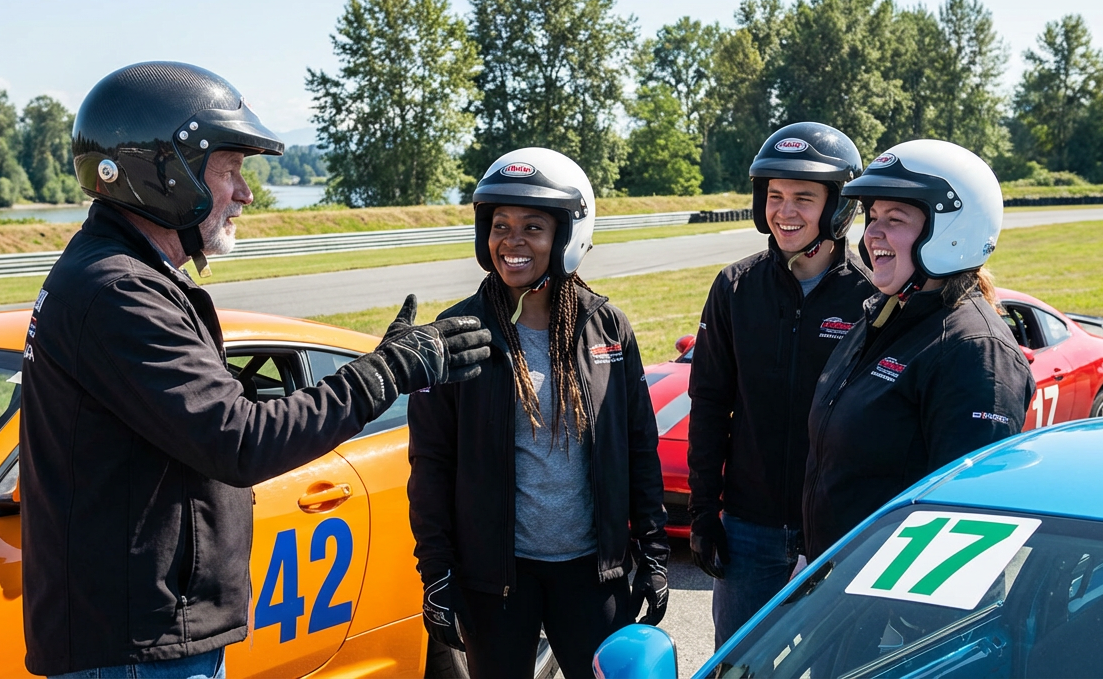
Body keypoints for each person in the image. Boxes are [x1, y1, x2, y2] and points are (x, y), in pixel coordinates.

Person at [19, 61, 491, 678]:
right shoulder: (119, 291)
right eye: (230, 170)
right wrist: (387, 373)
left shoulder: (122, 276)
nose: (245, 193)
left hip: (140, 632)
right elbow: (240, 442)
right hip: (137, 648)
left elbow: (183, 426)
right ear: (165, 173)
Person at [406, 148, 669, 678]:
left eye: (533, 226)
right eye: (500, 225)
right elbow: (430, 466)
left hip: (593, 574)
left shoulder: (608, 328)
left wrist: (654, 550)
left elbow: (638, 444)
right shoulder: (457, 335)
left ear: (568, 237)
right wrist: (436, 571)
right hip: (496, 581)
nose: (512, 241)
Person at [686, 122, 877, 647]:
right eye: (774, 196)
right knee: (740, 661)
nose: (784, 211)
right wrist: (704, 512)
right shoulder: (734, 287)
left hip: (841, 532)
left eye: (803, 198)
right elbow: (708, 403)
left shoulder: (872, 298)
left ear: (838, 207)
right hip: (749, 527)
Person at [803, 139, 1035, 560]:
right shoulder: (884, 316)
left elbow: (967, 527)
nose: (873, 232)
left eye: (895, 218)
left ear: (952, 232)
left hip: (897, 608)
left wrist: (903, 622)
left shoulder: (974, 351)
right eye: (872, 216)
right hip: (838, 587)